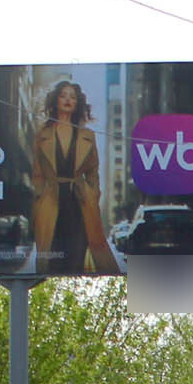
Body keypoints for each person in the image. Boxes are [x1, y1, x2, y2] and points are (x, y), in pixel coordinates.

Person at [27, 78, 120, 276]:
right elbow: (37, 173)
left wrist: (93, 196)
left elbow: (93, 173)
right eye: (63, 96)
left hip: (80, 202)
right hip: (51, 201)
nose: (68, 100)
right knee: (50, 256)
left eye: (73, 97)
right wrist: (40, 195)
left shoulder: (87, 135)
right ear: (55, 101)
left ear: (78, 103)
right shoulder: (42, 134)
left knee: (78, 254)